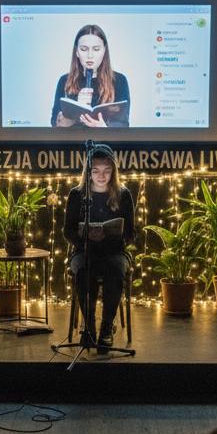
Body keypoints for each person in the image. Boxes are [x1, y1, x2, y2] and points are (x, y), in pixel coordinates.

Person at [63, 144, 135, 347]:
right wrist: (86, 238)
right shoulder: (77, 195)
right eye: (96, 171)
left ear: (114, 171)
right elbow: (68, 231)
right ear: (88, 172)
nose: (101, 176)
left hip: (115, 251)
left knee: (115, 270)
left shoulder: (123, 194)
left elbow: (131, 233)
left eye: (107, 170)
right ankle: (89, 328)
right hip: (84, 251)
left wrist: (111, 236)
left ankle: (106, 328)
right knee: (84, 270)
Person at [51, 24, 130, 128]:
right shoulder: (64, 81)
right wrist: (76, 109)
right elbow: (55, 123)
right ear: (77, 52)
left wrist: (104, 128)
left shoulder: (119, 80)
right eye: (84, 49)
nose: (90, 55)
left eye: (96, 49)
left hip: (104, 139)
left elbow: (123, 124)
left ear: (104, 51)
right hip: (74, 139)